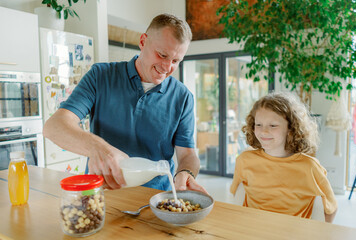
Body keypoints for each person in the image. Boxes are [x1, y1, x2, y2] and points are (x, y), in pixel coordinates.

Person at [43, 13, 207, 194]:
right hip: (101, 194)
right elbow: (54, 127)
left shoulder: (183, 97)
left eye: (175, 61)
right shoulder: (101, 76)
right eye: (162, 55)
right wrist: (99, 148)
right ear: (143, 42)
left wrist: (185, 172)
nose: (167, 67)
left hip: (155, 198)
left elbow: (188, 154)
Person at [230, 92, 337, 222]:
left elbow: (331, 209)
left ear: (291, 128)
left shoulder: (310, 167)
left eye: (273, 125)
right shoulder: (244, 160)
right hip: (253, 230)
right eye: (258, 124)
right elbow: (237, 197)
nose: (264, 131)